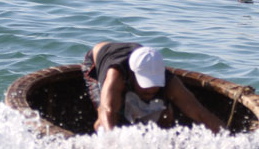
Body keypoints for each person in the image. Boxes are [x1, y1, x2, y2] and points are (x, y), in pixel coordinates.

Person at [81, 42, 224, 133]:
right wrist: (112, 144)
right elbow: (107, 110)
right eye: (145, 83)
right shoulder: (116, 74)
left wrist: (230, 138)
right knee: (108, 119)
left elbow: (200, 113)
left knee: (167, 114)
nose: (151, 90)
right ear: (132, 75)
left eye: (154, 84)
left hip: (135, 57)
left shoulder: (168, 80)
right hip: (95, 60)